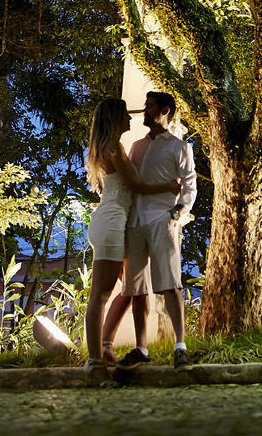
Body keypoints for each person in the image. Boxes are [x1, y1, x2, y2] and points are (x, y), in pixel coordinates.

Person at [83, 98, 180, 386]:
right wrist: (169, 186)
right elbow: (135, 185)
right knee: (100, 295)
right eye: (124, 114)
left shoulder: (110, 147)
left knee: (122, 289)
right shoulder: (114, 147)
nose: (129, 117)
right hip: (112, 223)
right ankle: (95, 364)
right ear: (114, 118)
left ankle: (103, 349)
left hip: (115, 222)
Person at [107, 91, 197, 371]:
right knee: (137, 288)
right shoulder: (136, 147)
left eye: (149, 107)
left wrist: (177, 213)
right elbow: (130, 183)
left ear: (165, 110)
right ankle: (141, 348)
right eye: (145, 106)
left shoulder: (179, 147)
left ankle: (180, 347)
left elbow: (190, 185)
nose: (144, 111)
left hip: (162, 219)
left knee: (171, 283)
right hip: (135, 222)